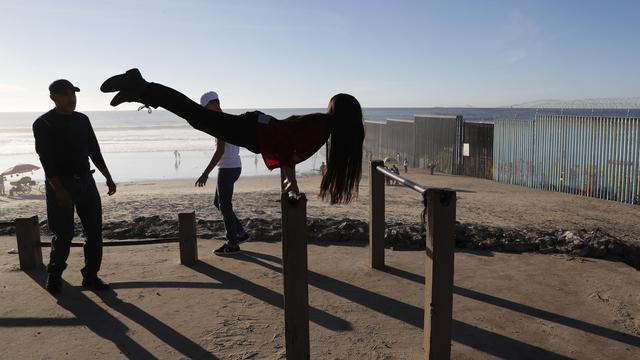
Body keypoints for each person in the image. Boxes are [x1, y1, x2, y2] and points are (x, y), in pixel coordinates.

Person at [100, 68, 364, 204]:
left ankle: (142, 91)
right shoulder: (321, 126)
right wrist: (292, 184)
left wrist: (290, 179)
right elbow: (287, 149)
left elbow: (288, 149)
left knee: (195, 116)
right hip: (252, 130)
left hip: (254, 129)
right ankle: (142, 87)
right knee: (195, 115)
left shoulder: (321, 124)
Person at [33, 79, 117, 294]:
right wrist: (59, 190)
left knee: (95, 233)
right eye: (66, 94)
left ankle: (91, 276)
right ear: (53, 97)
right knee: (64, 234)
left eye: (73, 94)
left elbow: (94, 151)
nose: (72, 98)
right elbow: (46, 160)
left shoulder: (82, 120)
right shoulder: (43, 123)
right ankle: (55, 275)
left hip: (86, 181)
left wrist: (107, 176)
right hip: (60, 183)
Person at [195, 91, 249, 255]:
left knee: (225, 206)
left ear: (213, 103)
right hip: (235, 166)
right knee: (219, 203)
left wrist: (205, 173)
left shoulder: (219, 123)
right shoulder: (229, 119)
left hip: (226, 168)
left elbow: (220, 150)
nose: (205, 111)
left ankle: (232, 244)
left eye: (205, 108)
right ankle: (240, 233)